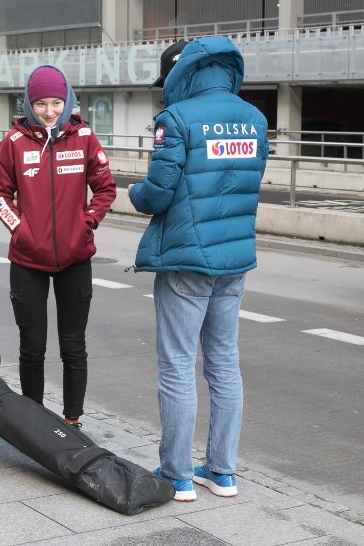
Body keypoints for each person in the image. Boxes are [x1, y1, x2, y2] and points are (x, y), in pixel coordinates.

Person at [128, 36, 269, 501]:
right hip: (234, 259)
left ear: (181, 74)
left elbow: (159, 192)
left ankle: (177, 474)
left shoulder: (176, 119)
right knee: (225, 363)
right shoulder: (254, 119)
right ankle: (223, 471)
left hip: (187, 258)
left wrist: (134, 193)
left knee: (176, 365)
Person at [0, 65, 117, 429]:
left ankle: (72, 420)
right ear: (29, 103)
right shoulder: (14, 142)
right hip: (27, 260)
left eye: (56, 102)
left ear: (68, 101)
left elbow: (106, 188)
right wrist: (22, 230)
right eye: (41, 103)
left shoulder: (85, 138)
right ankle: (34, 422)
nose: (49, 111)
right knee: (32, 347)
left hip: (75, 260)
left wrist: (86, 222)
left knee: (73, 346)